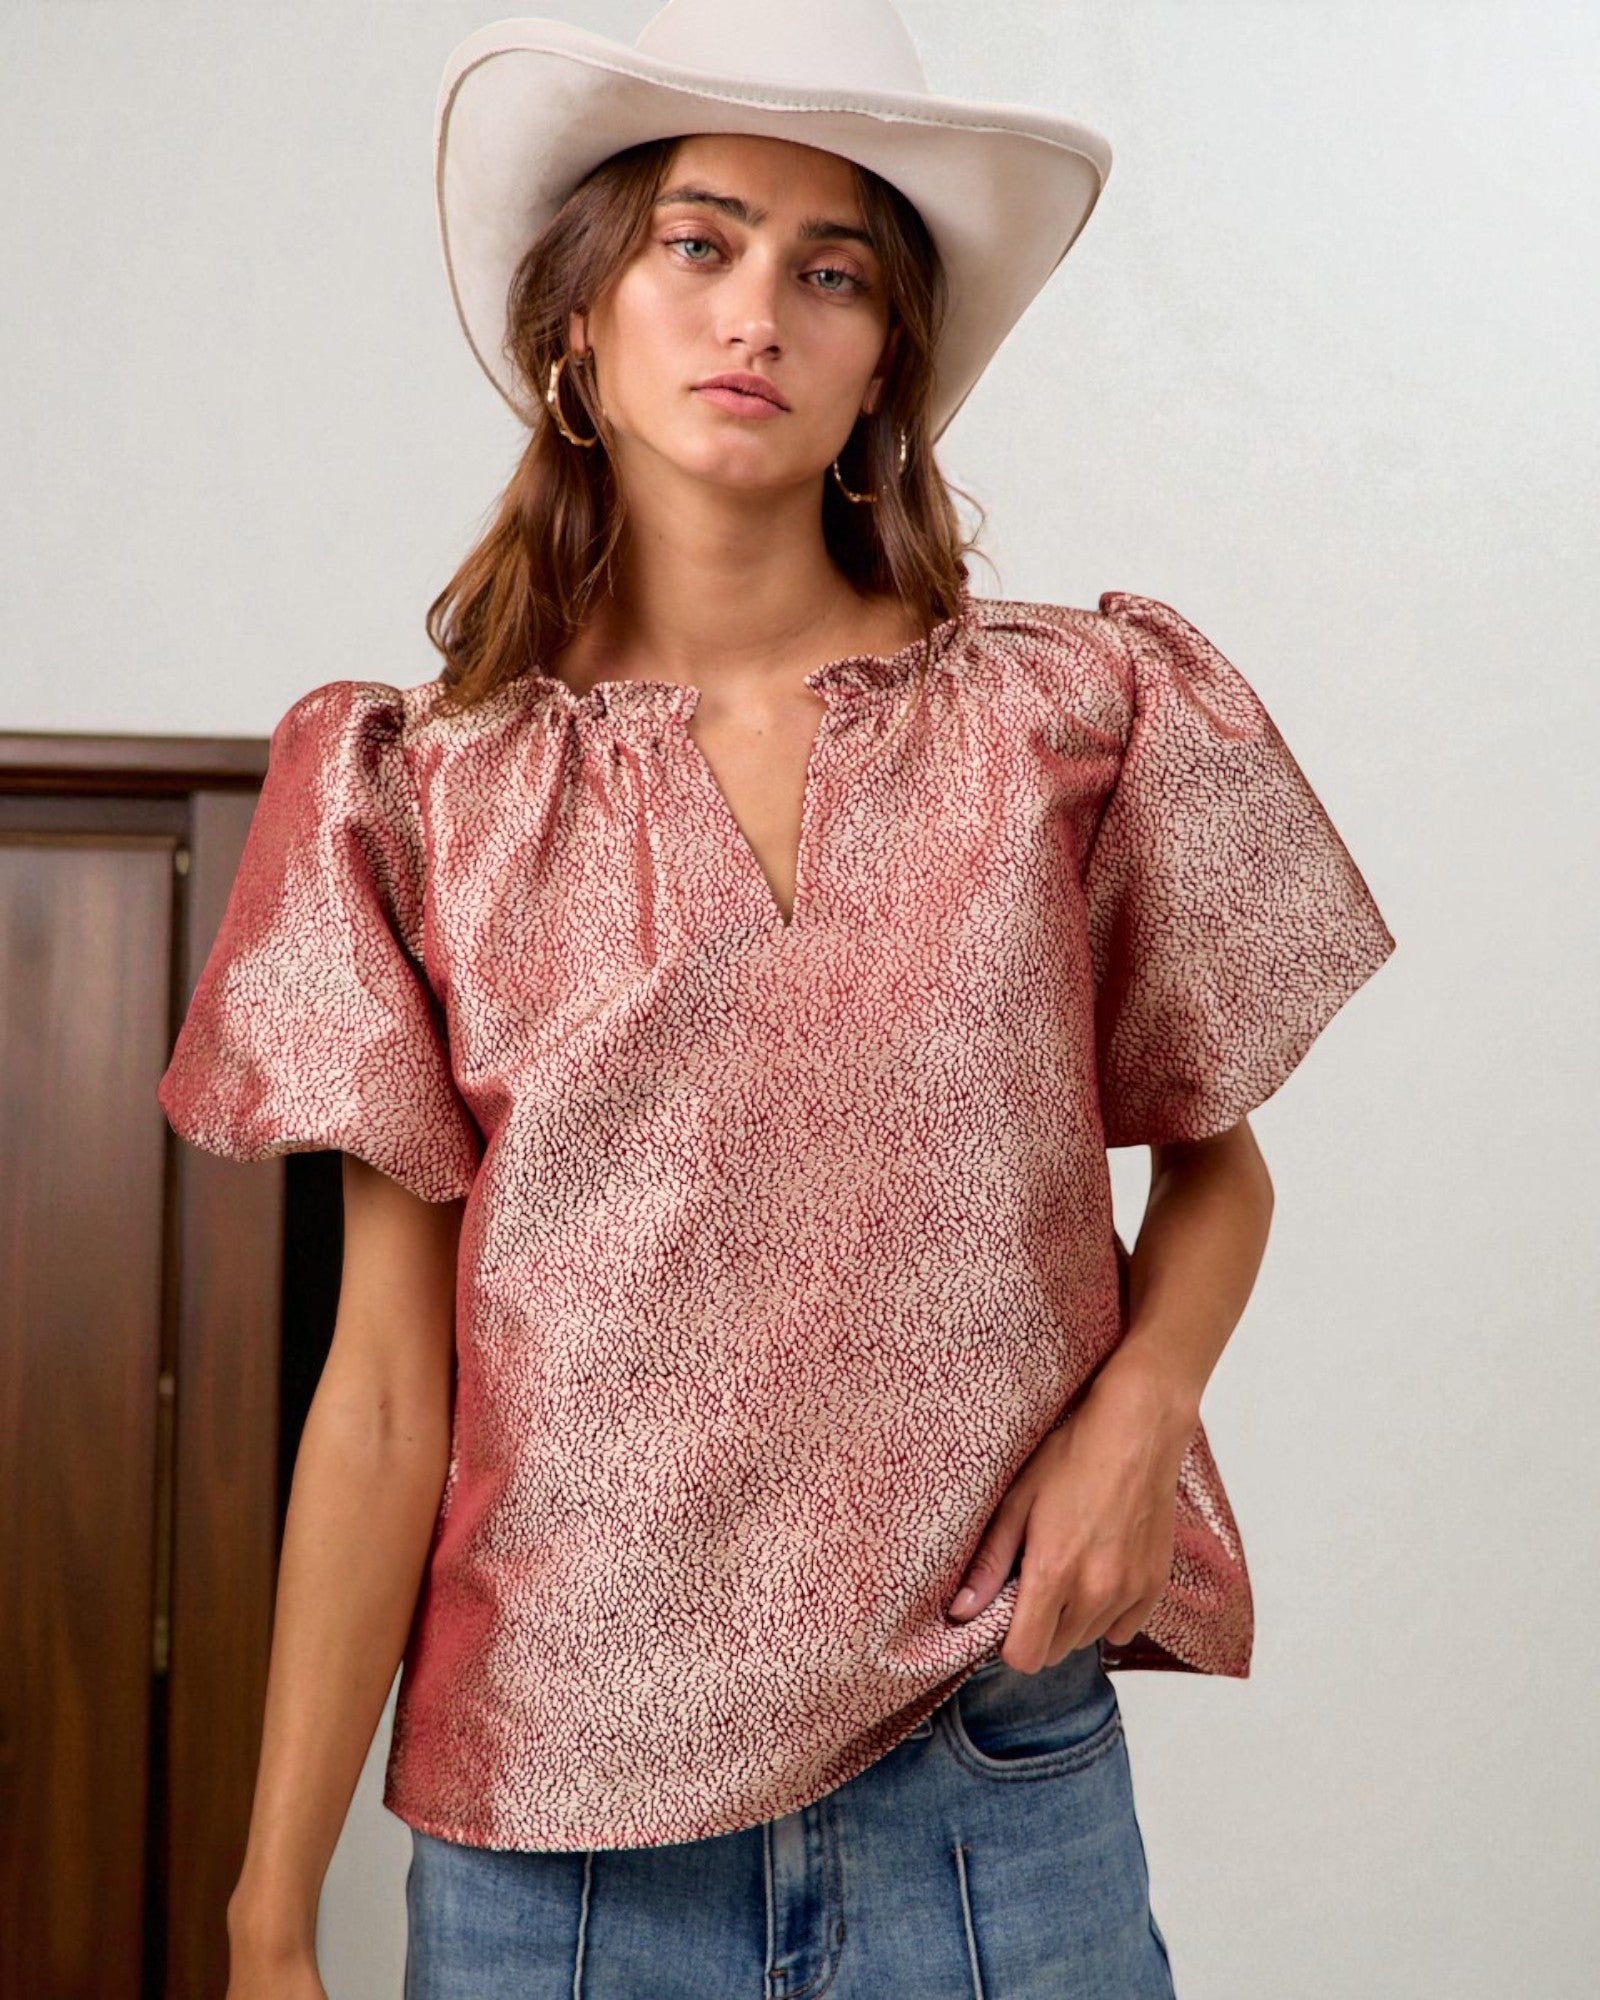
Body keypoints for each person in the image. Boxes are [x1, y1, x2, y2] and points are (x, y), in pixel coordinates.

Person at [155, 3, 1397, 1995]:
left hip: (990, 1782)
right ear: (575, 323)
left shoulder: (1065, 719)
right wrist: (264, 1907)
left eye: (831, 274)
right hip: (547, 1845)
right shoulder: (416, 793)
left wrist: (1134, 1415)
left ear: (885, 361)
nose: (759, 315)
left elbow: (1210, 1166)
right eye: (699, 244)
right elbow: (384, 1388)